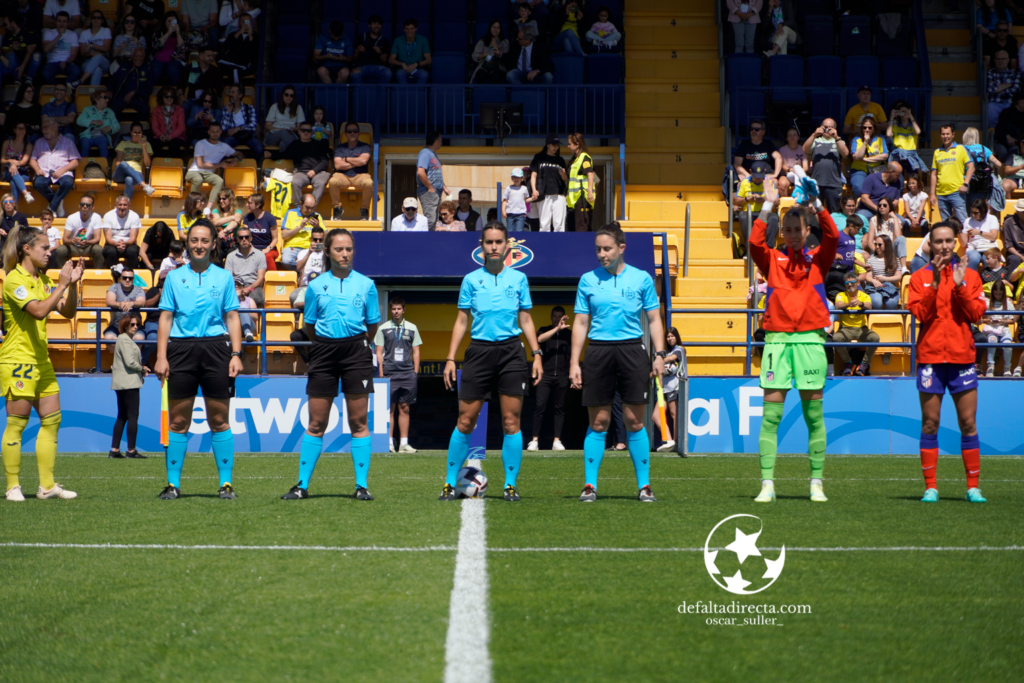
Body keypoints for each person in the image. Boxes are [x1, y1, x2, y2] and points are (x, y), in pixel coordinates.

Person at [747, 174, 838, 503]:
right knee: (771, 416)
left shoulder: (819, 259)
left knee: (814, 416)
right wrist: (768, 204)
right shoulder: (773, 258)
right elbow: (755, 244)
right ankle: (767, 484)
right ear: (782, 233)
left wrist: (816, 205)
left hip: (811, 342)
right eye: (787, 230)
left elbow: (834, 235)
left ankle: (816, 482)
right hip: (777, 343)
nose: (793, 235)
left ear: (807, 231)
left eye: (798, 230)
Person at [439, 222, 543, 502]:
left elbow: (526, 319)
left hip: (512, 353)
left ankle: (510, 485)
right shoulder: (471, 280)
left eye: (499, 242)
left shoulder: (518, 279)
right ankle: (449, 484)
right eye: (489, 242)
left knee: (511, 422)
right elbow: (462, 321)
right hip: (478, 353)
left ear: (508, 244)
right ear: (481, 246)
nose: (494, 247)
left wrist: (536, 354)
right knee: (465, 421)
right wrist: (450, 358)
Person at [281, 229, 380, 500]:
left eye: (348, 249)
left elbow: (372, 325)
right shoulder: (314, 286)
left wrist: (355, 344)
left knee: (358, 422)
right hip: (323, 352)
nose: (345, 254)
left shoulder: (366, 284)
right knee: (316, 423)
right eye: (339, 249)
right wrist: (327, 345)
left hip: (356, 352)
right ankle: (301, 485)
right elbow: (309, 326)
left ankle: (361, 486)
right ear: (327, 251)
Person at [570, 223, 664, 503]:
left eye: (607, 248)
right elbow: (581, 322)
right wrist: (575, 362)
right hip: (598, 352)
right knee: (599, 422)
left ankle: (644, 486)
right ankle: (590, 485)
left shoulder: (642, 279)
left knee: (635, 422)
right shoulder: (587, 279)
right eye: (598, 249)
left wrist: (659, 355)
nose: (601, 254)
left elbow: (655, 320)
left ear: (621, 248)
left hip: (633, 351)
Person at [155, 219, 242, 500]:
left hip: (216, 349)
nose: (199, 246)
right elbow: (166, 317)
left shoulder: (224, 277)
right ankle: (173, 485)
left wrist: (236, 353)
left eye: (205, 240)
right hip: (180, 351)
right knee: (178, 421)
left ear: (214, 244)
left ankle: (226, 484)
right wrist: (160, 356)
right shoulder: (174, 277)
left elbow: (232, 317)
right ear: (187, 244)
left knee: (219, 419)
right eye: (194, 240)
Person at [907, 220, 988, 504]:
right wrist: (937, 284)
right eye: (938, 241)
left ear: (956, 243)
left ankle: (973, 487)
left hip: (961, 358)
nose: (943, 246)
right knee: (930, 423)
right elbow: (921, 315)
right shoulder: (919, 278)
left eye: (948, 241)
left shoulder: (971, 277)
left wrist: (958, 286)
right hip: (930, 358)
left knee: (968, 422)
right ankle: (931, 487)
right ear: (930, 244)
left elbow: (976, 314)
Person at [0, 225, 83, 502]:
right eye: (44, 248)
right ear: (26, 249)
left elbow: (68, 312)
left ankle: (47, 486)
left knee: (52, 421)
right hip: (18, 360)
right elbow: (38, 311)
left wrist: (71, 285)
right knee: (17, 424)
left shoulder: (44, 280)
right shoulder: (14, 279)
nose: (49, 252)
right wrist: (61, 284)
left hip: (41, 361)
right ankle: (13, 486)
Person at [374, 297, 422, 453]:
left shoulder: (412, 328)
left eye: (398, 309)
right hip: (389, 373)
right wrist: (381, 372)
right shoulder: (383, 328)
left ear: (404, 310)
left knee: (405, 408)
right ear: (390, 310)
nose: (396, 311)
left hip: (408, 373)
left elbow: (416, 351)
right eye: (393, 309)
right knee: (390, 409)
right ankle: (388, 444)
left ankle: (403, 444)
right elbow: (379, 351)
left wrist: (415, 371)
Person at [527, 306, 571, 452]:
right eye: (555, 316)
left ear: (564, 317)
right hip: (545, 375)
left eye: (560, 316)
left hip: (563, 375)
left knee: (560, 408)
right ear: (551, 317)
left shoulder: (569, 334)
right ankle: (534, 440)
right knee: (540, 407)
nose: (557, 319)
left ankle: (557, 440)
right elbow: (539, 339)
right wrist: (557, 329)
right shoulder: (544, 329)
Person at [110, 315, 148, 459]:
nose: (135, 327)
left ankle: (115, 450)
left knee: (122, 416)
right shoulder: (125, 340)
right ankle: (131, 450)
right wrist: (143, 369)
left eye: (137, 324)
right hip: (128, 383)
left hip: (123, 383)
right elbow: (130, 362)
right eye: (132, 324)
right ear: (125, 325)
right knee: (132, 416)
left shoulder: (124, 339)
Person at [269, 122, 331, 208]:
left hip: (318, 172)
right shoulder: (294, 145)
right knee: (295, 182)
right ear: (299, 132)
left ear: (312, 132)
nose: (306, 132)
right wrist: (271, 155)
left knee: (320, 183)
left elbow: (325, 161)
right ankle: (298, 208)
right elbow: (284, 154)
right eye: (303, 130)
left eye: (308, 131)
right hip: (301, 172)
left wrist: (314, 171)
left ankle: (310, 208)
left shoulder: (318, 144)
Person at [186, 122, 242, 213]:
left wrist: (236, 158)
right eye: (213, 131)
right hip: (194, 171)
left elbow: (239, 153)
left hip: (209, 174)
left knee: (219, 181)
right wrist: (220, 165)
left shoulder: (224, 146)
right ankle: (192, 205)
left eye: (217, 131)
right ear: (208, 132)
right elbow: (200, 164)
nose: (215, 134)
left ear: (220, 132)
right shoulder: (200, 144)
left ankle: (208, 208)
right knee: (198, 179)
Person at [30, 118, 79, 217]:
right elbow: (32, 160)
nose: (43, 130)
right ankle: (57, 202)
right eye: (42, 128)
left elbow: (75, 162)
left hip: (63, 172)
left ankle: (52, 207)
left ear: (55, 126)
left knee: (68, 183)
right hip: (44, 172)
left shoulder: (68, 142)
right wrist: (37, 169)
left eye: (46, 127)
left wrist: (62, 170)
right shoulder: (39, 142)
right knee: (38, 184)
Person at [832, 272, 878, 376]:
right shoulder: (841, 295)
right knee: (836, 338)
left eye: (852, 281)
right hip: (845, 329)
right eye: (847, 282)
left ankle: (864, 364)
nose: (849, 284)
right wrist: (848, 304)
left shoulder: (864, 296)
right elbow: (838, 306)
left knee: (875, 338)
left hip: (862, 329)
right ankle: (848, 363)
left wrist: (860, 304)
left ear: (858, 283)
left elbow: (868, 307)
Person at [327, 121, 373, 221]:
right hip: (343, 176)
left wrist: (346, 159)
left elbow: (364, 161)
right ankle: (337, 208)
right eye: (349, 131)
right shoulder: (340, 148)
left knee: (369, 183)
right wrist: (356, 161)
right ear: (346, 134)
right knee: (332, 181)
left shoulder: (365, 146)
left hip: (360, 175)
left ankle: (364, 209)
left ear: (359, 133)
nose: (352, 133)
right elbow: (338, 165)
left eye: (355, 131)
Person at [930, 124, 974, 222]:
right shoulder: (937, 152)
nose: (945, 136)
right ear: (940, 135)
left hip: (957, 192)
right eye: (943, 134)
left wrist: (966, 184)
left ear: (953, 134)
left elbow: (971, 167)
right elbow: (933, 174)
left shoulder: (960, 149)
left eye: (948, 134)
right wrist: (932, 194)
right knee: (946, 224)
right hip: (941, 194)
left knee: (962, 222)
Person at [803, 118, 849, 214]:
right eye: (825, 127)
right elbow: (805, 149)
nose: (827, 129)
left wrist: (836, 137)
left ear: (835, 129)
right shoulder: (816, 141)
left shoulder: (839, 141)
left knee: (834, 213)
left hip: (834, 183)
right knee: (815, 213)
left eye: (830, 127)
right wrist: (814, 134)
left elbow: (845, 154)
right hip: (817, 183)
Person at [652, 327, 685, 452]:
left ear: (676, 337)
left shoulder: (680, 349)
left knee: (673, 414)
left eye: (672, 336)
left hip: (674, 386)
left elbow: (671, 359)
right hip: (662, 388)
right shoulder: (665, 352)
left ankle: (676, 443)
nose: (670, 338)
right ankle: (670, 441)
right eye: (668, 336)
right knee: (655, 416)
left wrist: (659, 361)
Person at [734, 160, 779, 249]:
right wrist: (747, 199)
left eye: (760, 177)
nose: (758, 179)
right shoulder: (745, 182)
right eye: (756, 177)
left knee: (774, 218)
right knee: (744, 217)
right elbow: (735, 200)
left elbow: (778, 201)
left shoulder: (769, 182)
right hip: (748, 212)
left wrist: (765, 199)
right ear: (750, 171)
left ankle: (769, 248)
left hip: (765, 212)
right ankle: (750, 248)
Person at [52, 193, 103, 267]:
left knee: (98, 249)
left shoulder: (96, 217)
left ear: (92, 207)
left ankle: (98, 274)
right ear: (79, 205)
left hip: (88, 247)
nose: (85, 206)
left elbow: (97, 239)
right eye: (82, 204)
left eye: (88, 205)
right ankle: (63, 273)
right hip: (74, 247)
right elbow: (65, 240)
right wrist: (72, 241)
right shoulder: (71, 218)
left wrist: (87, 242)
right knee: (61, 249)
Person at [530, 134, 568, 232]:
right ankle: (544, 245)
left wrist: (563, 174)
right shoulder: (538, 157)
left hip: (559, 194)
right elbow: (533, 175)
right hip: (544, 194)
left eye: (557, 145)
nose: (556, 147)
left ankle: (559, 245)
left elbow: (565, 179)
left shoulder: (560, 160)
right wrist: (534, 190)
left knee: (559, 224)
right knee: (544, 224)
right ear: (548, 144)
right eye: (553, 145)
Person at [224, 224, 266, 306]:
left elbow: (260, 279)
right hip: (237, 284)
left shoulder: (260, 255)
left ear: (251, 238)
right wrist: (238, 289)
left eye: (246, 237)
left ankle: (252, 318)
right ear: (237, 239)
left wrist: (249, 288)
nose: (244, 239)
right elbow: (228, 277)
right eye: (241, 237)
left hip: (253, 285)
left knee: (257, 298)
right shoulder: (231, 256)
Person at [112, 122, 156, 201]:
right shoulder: (123, 144)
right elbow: (117, 163)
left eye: (139, 133)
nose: (137, 135)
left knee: (129, 179)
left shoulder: (147, 145)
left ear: (142, 133)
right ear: (131, 132)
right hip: (120, 173)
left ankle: (126, 205)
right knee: (123, 163)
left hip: (137, 174)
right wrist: (128, 168)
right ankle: (144, 185)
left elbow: (147, 164)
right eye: (135, 132)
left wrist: (144, 147)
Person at [733, 119, 782, 187]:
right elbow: (737, 165)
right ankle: (745, 198)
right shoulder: (743, 145)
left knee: (775, 182)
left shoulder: (768, 144)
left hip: (765, 175)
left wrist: (775, 174)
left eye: (756, 129)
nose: (753, 131)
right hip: (748, 174)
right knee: (740, 183)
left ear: (763, 132)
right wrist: (748, 176)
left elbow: (778, 157)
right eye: (752, 129)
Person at [981, 279, 1016, 376]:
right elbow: (983, 319)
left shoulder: (1008, 303)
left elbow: (1012, 320)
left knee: (1008, 345)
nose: (998, 296)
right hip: (992, 329)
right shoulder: (988, 303)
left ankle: (1007, 368)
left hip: (1004, 330)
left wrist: (1003, 321)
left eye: (1000, 294)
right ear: (992, 293)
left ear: (1003, 293)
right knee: (992, 340)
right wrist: (989, 320)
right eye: (996, 294)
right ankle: (990, 367)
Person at [861, 233, 903, 310]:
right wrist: (873, 281)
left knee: (891, 302)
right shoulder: (871, 260)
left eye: (880, 245)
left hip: (889, 286)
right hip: (874, 287)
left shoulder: (895, 260)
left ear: (886, 245)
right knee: (877, 302)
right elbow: (868, 276)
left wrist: (885, 279)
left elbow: (898, 277)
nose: (877, 247)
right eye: (875, 244)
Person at [103, 264, 146, 339]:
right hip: (116, 326)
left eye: (130, 278)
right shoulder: (114, 287)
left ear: (133, 279)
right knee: (108, 338)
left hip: (134, 326)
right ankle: (122, 351)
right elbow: (109, 301)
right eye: (125, 278)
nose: (127, 280)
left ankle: (127, 350)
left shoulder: (138, 289)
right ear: (120, 278)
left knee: (139, 338)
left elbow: (141, 302)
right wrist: (119, 304)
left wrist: (132, 303)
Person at [849, 117, 888, 199]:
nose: (867, 130)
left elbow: (884, 156)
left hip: (877, 169)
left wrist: (865, 159)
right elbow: (856, 157)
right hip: (859, 169)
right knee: (858, 188)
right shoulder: (856, 139)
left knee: (880, 189)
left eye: (870, 127)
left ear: (874, 128)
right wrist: (865, 142)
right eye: (864, 127)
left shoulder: (880, 138)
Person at [865, 196, 907, 271]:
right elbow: (870, 242)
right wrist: (878, 251)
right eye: (879, 205)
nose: (881, 207)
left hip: (891, 250)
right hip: (878, 249)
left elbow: (898, 236)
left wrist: (894, 218)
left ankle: (903, 267)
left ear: (889, 207)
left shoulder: (896, 220)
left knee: (902, 238)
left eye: (884, 205)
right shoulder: (874, 220)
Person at [108, 48, 152, 118]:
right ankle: (118, 127)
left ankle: (136, 127)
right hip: (122, 97)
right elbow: (113, 80)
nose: (138, 58)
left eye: (141, 56)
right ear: (131, 56)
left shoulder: (147, 69)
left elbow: (148, 90)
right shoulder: (124, 66)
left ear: (144, 58)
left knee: (145, 109)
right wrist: (110, 90)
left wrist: (134, 92)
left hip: (138, 99)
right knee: (112, 109)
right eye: (136, 56)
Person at [886, 100, 926, 175]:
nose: (903, 113)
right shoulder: (896, 126)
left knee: (913, 178)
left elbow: (918, 132)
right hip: (898, 156)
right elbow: (888, 134)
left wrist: (910, 116)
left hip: (911, 156)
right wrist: (892, 117)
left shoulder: (913, 126)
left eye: (905, 111)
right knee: (898, 179)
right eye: (901, 111)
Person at [416, 131, 447, 230]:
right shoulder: (425, 153)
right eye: (440, 140)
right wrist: (430, 188)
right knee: (430, 220)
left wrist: (444, 188)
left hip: (435, 193)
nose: (441, 142)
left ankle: (432, 242)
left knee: (435, 221)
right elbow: (420, 172)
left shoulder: (432, 154)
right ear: (436, 141)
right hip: (428, 192)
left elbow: (434, 175)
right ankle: (424, 241)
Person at [150, 12, 190, 87]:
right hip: (158, 60)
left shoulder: (182, 34)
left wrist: (178, 33)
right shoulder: (158, 33)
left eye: (173, 21)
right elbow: (155, 46)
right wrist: (168, 32)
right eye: (169, 21)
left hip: (175, 60)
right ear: (164, 22)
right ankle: (152, 94)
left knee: (172, 70)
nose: (171, 23)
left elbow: (183, 49)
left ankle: (176, 93)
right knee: (155, 70)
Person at [103, 194, 143, 268]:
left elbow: (133, 238)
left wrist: (124, 243)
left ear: (129, 206)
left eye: (125, 205)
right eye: (120, 205)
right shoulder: (108, 216)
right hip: (112, 243)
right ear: (116, 205)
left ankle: (131, 275)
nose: (122, 207)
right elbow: (108, 238)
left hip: (129, 244)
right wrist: (116, 244)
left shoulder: (134, 216)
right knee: (111, 252)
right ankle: (112, 276)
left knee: (133, 251)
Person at [40, 11, 80, 85]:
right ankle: (57, 88)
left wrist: (66, 63)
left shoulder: (73, 34)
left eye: (64, 21)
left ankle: (64, 88)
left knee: (76, 71)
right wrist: (59, 36)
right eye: (59, 21)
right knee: (45, 73)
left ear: (67, 23)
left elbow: (74, 54)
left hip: (67, 63)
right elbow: (46, 49)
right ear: (56, 22)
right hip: (52, 63)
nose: (61, 24)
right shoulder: (49, 33)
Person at [567, 132, 596, 232]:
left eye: (570, 144)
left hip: (582, 197)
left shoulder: (584, 158)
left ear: (577, 144)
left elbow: (590, 174)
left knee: (581, 225)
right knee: (574, 225)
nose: (568, 146)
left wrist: (590, 193)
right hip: (575, 199)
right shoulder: (575, 159)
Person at [74, 11, 112, 88]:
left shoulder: (106, 31)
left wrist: (92, 45)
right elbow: (82, 52)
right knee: (97, 70)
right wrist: (91, 54)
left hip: (103, 61)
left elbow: (106, 48)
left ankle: (81, 80)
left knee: (98, 57)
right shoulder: (84, 33)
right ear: (91, 20)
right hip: (87, 61)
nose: (96, 19)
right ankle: (93, 97)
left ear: (102, 20)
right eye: (94, 17)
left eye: (98, 18)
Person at [350, 14, 391, 84]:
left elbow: (385, 62)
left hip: (379, 67)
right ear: (369, 25)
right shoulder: (361, 37)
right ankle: (361, 94)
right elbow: (354, 59)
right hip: (362, 66)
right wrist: (358, 50)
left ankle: (380, 94)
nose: (377, 26)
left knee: (388, 73)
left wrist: (379, 52)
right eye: (374, 23)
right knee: (354, 74)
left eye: (379, 24)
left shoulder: (385, 41)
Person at [219, 11, 258, 83]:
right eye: (243, 22)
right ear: (239, 23)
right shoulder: (234, 34)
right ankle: (237, 89)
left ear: (251, 23)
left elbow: (255, 51)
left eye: (248, 21)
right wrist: (239, 32)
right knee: (221, 59)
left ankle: (235, 90)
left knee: (232, 68)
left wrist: (250, 35)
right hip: (240, 64)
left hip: (246, 67)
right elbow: (225, 47)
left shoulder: (255, 37)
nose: (246, 24)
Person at [3, 14, 42, 86]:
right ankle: (17, 79)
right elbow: (4, 52)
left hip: (28, 63)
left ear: (13, 23)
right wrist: (12, 48)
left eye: (5, 25)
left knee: (37, 55)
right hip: (15, 64)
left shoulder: (28, 33)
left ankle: (29, 79)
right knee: (10, 54)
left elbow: (30, 51)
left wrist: (23, 66)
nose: (4, 27)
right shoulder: (6, 36)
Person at [389, 17, 431, 85]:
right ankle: (406, 93)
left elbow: (429, 60)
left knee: (424, 74)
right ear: (404, 29)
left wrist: (416, 64)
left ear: (416, 29)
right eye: (407, 29)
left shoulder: (423, 40)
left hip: (417, 68)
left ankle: (417, 93)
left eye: (411, 29)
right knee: (399, 73)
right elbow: (391, 60)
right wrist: (402, 64)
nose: (409, 31)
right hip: (403, 69)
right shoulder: (398, 40)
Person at [962, 198, 1001, 270]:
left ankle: (990, 280)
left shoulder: (992, 218)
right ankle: (972, 280)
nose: (973, 215)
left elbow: (993, 236)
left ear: (983, 211)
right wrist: (960, 233)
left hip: (988, 247)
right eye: (972, 212)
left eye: (976, 213)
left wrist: (979, 232)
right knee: (974, 257)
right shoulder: (967, 221)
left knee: (989, 258)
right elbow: (963, 244)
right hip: (973, 248)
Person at [3, 124, 35, 208]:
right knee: (13, 175)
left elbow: (24, 161)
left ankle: (14, 210)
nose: (21, 130)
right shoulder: (7, 142)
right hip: (7, 172)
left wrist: (14, 165)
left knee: (14, 182)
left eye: (23, 128)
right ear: (14, 130)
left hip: (23, 173)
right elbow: (2, 160)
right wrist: (10, 161)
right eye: (19, 128)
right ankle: (25, 193)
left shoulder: (29, 145)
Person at [151, 86, 188, 159]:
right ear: (162, 97)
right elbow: (155, 126)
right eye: (166, 96)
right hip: (161, 136)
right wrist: (160, 135)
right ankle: (158, 166)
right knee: (155, 145)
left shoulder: (179, 110)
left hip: (176, 137)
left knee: (174, 145)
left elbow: (181, 127)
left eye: (171, 96)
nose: (169, 98)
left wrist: (171, 136)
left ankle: (175, 167)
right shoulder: (156, 110)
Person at [243, 194, 279, 270]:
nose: (247, 205)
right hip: (252, 247)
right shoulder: (247, 218)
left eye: (249, 203)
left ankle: (272, 279)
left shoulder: (270, 218)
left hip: (269, 248)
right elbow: (245, 236)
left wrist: (267, 249)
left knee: (267, 256)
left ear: (258, 205)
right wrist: (251, 247)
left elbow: (275, 239)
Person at [263, 86, 304, 151]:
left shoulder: (298, 108)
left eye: (291, 95)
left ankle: (282, 160)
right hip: (274, 135)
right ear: (283, 95)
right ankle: (297, 152)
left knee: (283, 144)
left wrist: (292, 129)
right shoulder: (275, 106)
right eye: (286, 94)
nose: (288, 97)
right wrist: (281, 129)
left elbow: (301, 127)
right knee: (283, 132)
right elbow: (267, 126)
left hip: (290, 134)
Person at [986, 49, 1020, 123]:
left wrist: (998, 88)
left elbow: (1016, 89)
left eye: (1003, 59)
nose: (1000, 61)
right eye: (998, 59)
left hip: (1010, 103)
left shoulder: (1015, 73)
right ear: (994, 60)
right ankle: (993, 132)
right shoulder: (990, 73)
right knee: (989, 107)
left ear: (1008, 60)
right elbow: (990, 89)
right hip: (994, 103)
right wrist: (1010, 84)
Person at [314, 20, 351, 84]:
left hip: (342, 66)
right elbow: (315, 56)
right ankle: (330, 91)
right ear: (329, 31)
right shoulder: (322, 38)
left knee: (345, 73)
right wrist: (326, 57)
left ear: (342, 32)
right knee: (321, 71)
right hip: (326, 65)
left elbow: (351, 59)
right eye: (334, 36)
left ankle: (337, 92)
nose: (336, 39)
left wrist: (343, 58)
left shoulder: (347, 39)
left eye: (338, 36)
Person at [211, 189, 243, 255]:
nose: (221, 201)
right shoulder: (215, 211)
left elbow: (235, 223)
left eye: (224, 199)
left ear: (230, 199)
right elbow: (216, 222)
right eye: (220, 199)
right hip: (219, 243)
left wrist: (224, 231)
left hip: (233, 243)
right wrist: (232, 217)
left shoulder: (237, 211)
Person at [777, 127, 807, 194]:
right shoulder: (782, 150)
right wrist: (789, 170)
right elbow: (783, 166)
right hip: (786, 174)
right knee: (782, 184)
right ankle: (784, 204)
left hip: (800, 174)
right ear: (787, 138)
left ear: (798, 137)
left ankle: (801, 203)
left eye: (794, 135)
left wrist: (798, 171)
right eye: (790, 135)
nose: (792, 137)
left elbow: (806, 167)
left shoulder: (803, 149)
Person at [502, 168, 530, 232]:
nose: (516, 179)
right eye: (514, 177)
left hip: (521, 213)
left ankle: (518, 242)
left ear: (522, 178)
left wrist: (533, 198)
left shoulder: (524, 188)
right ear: (512, 178)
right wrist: (503, 210)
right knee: (510, 231)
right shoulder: (508, 188)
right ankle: (511, 242)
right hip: (510, 213)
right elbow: (505, 201)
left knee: (519, 231)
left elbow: (525, 200)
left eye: (518, 177)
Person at [1002, 198, 1024, 274]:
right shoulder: (1008, 223)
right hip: (1015, 253)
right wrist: (1021, 256)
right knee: (1015, 260)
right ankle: (1011, 284)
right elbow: (1008, 245)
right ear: (1017, 211)